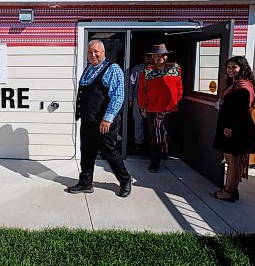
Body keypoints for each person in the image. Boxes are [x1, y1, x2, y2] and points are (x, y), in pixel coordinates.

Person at [68, 39, 132, 197]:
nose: (93, 54)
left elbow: (118, 96)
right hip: (88, 120)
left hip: (103, 121)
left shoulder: (113, 69)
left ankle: (125, 180)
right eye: (90, 52)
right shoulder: (89, 69)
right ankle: (85, 182)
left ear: (104, 52)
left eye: (96, 51)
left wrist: (107, 119)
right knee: (87, 151)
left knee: (109, 151)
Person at [211, 56, 255, 202]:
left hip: (234, 129)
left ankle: (227, 192)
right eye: (229, 67)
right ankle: (232, 190)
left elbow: (240, 110)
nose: (230, 70)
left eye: (234, 67)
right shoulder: (236, 84)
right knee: (235, 161)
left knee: (232, 161)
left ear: (242, 68)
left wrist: (229, 127)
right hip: (234, 127)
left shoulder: (242, 87)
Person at [138, 44, 183, 173]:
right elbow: (142, 91)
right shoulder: (147, 71)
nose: (160, 57)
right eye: (157, 55)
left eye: (163, 55)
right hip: (153, 109)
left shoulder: (175, 68)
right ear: (153, 57)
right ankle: (154, 162)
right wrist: (142, 108)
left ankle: (165, 154)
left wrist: (178, 100)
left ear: (167, 56)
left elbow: (180, 86)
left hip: (171, 109)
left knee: (168, 134)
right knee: (155, 137)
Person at [128, 54, 152, 152]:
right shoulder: (137, 69)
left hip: (152, 100)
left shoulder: (158, 70)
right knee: (138, 122)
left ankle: (152, 144)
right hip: (137, 98)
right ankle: (138, 143)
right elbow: (131, 84)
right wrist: (130, 98)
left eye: (151, 57)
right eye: (147, 56)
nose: (149, 59)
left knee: (152, 122)